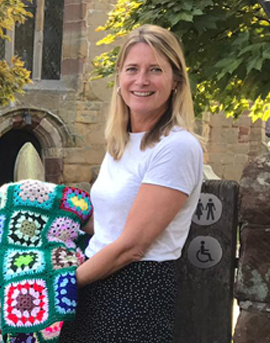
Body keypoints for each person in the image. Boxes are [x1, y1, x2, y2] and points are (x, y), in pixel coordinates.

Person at [59, 25, 204, 342]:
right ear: (119, 80)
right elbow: (108, 224)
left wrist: (60, 283)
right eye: (132, 69)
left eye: (155, 70)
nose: (142, 81)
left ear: (176, 81)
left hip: (136, 293)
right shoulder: (121, 143)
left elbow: (132, 247)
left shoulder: (176, 147)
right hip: (96, 276)